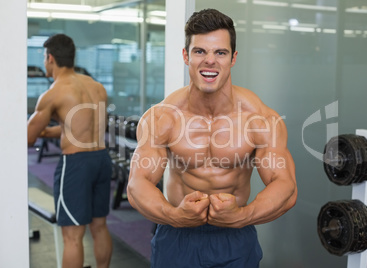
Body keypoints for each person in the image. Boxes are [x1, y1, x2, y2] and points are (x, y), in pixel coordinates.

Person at [127, 8, 297, 268]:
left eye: (220, 52)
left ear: (233, 58)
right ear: (186, 56)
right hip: (177, 235)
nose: (210, 61)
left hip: (235, 237)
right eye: (200, 51)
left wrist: (243, 216)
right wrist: (174, 216)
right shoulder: (162, 117)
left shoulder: (260, 118)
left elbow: (286, 187)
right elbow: (137, 185)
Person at [27, 34, 113, 268]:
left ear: (50, 58)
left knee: (72, 236)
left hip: (76, 165)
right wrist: (49, 131)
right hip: (101, 160)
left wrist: (39, 131)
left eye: (45, 59)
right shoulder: (96, 87)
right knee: (99, 226)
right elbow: (81, 128)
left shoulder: (53, 93)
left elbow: (27, 138)